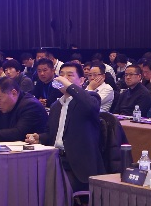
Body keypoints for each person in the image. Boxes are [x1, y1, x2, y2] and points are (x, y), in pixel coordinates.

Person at [28, 63, 105, 192]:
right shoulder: (56, 106)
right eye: (61, 75)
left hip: (78, 166)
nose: (64, 78)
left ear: (81, 80)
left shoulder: (90, 98)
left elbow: (91, 106)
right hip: (55, 159)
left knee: (53, 187)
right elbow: (52, 134)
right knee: (31, 179)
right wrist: (40, 138)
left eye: (70, 75)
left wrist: (69, 86)